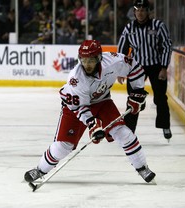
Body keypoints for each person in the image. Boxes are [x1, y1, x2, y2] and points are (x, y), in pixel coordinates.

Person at [24, 39, 156, 185]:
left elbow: (135, 68)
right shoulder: (76, 79)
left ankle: (143, 168)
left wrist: (137, 92)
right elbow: (81, 108)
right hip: (75, 107)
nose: (87, 64)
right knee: (63, 146)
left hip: (103, 102)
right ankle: (40, 170)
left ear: (99, 58)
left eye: (91, 60)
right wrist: (93, 125)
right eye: (84, 60)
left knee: (124, 134)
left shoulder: (113, 61)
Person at [117, 0, 172, 140]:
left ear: (148, 11)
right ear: (134, 12)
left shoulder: (158, 26)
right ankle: (129, 131)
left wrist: (164, 68)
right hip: (136, 68)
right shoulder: (129, 28)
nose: (140, 13)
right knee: (133, 99)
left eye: (143, 10)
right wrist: (121, 70)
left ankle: (164, 125)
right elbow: (122, 50)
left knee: (160, 98)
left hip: (156, 66)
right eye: (137, 10)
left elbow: (167, 46)